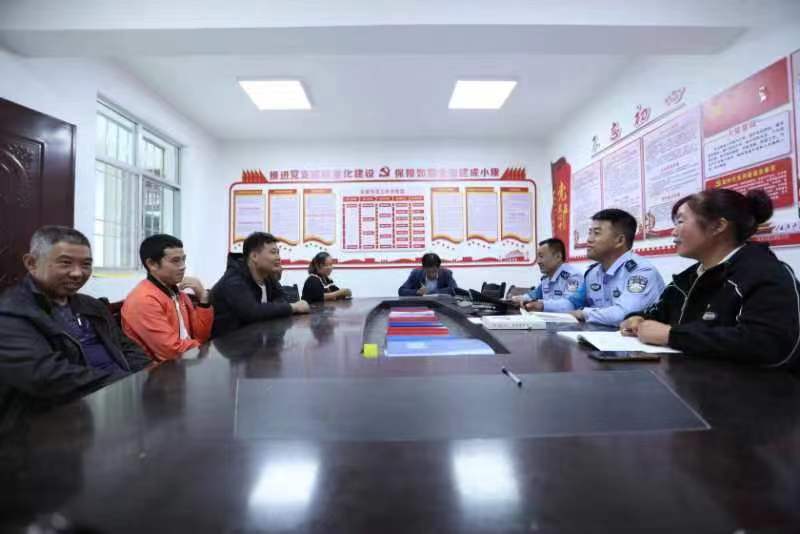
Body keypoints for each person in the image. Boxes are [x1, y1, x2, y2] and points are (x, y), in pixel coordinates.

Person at [621, 189, 800, 369]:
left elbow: (768, 344)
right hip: (688, 380)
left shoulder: (766, 273)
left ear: (718, 226)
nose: (673, 232)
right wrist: (637, 318)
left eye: (681, 221)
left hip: (752, 385)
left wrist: (672, 335)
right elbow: (657, 313)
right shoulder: (688, 278)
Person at [0, 226, 150, 429]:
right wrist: (126, 386)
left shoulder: (91, 305)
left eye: (86, 264)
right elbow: (48, 376)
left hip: (121, 402)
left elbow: (126, 346)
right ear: (32, 263)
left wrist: (148, 378)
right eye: (65, 263)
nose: (78, 273)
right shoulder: (11, 312)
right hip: (60, 422)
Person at [121, 234, 214, 361]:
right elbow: (172, 352)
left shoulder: (178, 293)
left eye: (183, 259)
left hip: (186, 361)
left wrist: (203, 298)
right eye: (175, 261)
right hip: (160, 371)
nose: (183, 266)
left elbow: (201, 337)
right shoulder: (143, 301)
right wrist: (210, 354)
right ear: (152, 264)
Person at [570, 209, 665, 326]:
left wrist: (584, 313)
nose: (589, 239)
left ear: (619, 240)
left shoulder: (641, 272)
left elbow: (624, 315)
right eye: (590, 233)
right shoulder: (592, 273)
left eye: (597, 233)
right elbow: (573, 303)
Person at [211, 232, 309, 338]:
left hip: (256, 339)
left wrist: (270, 309)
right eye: (273, 252)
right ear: (254, 256)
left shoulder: (267, 277)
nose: (278, 258)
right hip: (229, 342)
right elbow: (252, 312)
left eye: (278, 253)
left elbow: (283, 299)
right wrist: (293, 307)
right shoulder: (234, 279)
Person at [512, 238, 582, 312]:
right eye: (537, 257)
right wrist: (519, 298)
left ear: (558, 256)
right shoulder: (546, 278)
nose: (538, 261)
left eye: (541, 256)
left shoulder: (573, 277)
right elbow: (533, 295)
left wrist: (542, 305)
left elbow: (570, 305)